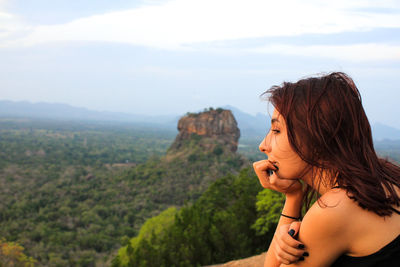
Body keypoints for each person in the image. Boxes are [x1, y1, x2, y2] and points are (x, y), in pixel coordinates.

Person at [253, 72, 400, 267]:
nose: (263, 145)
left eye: (277, 131)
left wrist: (294, 210)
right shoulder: (386, 175)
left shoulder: (334, 209)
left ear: (316, 136)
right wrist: (293, 195)